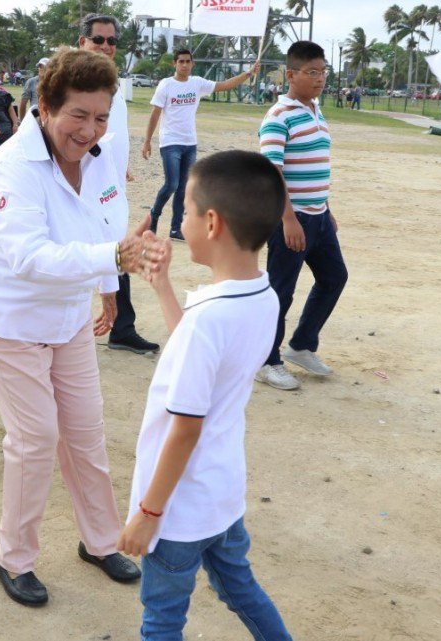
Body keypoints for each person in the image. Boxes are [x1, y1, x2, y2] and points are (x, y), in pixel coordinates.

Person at [0, 49, 164, 607]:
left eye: (100, 116)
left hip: (67, 314)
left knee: (86, 433)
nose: (89, 130)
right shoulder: (10, 166)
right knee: (36, 438)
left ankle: (99, 541)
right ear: (43, 108)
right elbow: (28, 257)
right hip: (8, 313)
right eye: (78, 115)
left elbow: (109, 220)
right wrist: (113, 258)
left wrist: (112, 287)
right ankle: (12, 558)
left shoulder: (104, 152)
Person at [118, 150, 293, 641]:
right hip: (221, 498)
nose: (184, 222)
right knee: (242, 592)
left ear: (211, 222)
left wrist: (147, 515)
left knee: (162, 620)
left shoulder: (207, 320)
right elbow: (198, 360)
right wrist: (162, 287)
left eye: (187, 211)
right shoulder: (264, 294)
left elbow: (185, 428)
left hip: (177, 512)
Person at [255, 41, 348, 391]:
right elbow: (271, 172)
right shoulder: (279, 116)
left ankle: (302, 345)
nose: (320, 78)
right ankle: (266, 361)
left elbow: (313, 167)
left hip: (320, 217)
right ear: (290, 75)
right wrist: (288, 219)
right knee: (281, 291)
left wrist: (328, 209)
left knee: (334, 277)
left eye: (323, 71)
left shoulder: (315, 109)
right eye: (312, 72)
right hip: (292, 220)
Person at [79, 12, 161, 356]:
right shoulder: (74, 85)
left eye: (112, 40)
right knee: (94, 255)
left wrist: (120, 167)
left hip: (110, 189)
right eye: (98, 39)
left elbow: (110, 138)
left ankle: (121, 327)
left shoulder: (112, 84)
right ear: (82, 42)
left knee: (117, 253)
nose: (106, 46)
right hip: (84, 190)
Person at [141, 48, 258, 241]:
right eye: (181, 61)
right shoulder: (166, 85)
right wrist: (147, 141)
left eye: (188, 61)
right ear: (174, 64)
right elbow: (155, 114)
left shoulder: (197, 83)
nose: (185, 65)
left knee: (183, 188)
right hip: (170, 142)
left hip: (190, 143)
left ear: (192, 63)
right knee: (171, 184)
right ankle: (153, 216)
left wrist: (248, 73)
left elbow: (225, 85)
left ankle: (175, 228)